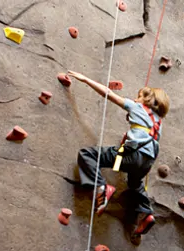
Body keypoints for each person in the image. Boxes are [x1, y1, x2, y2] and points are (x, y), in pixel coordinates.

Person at [65, 71, 169, 241]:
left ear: (148, 99)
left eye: (139, 96)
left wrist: (85, 79)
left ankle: (101, 187)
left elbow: (108, 93)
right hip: (146, 162)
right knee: (135, 183)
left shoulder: (137, 107)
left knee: (87, 155)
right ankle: (146, 212)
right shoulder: (159, 123)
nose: (136, 100)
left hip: (132, 154)